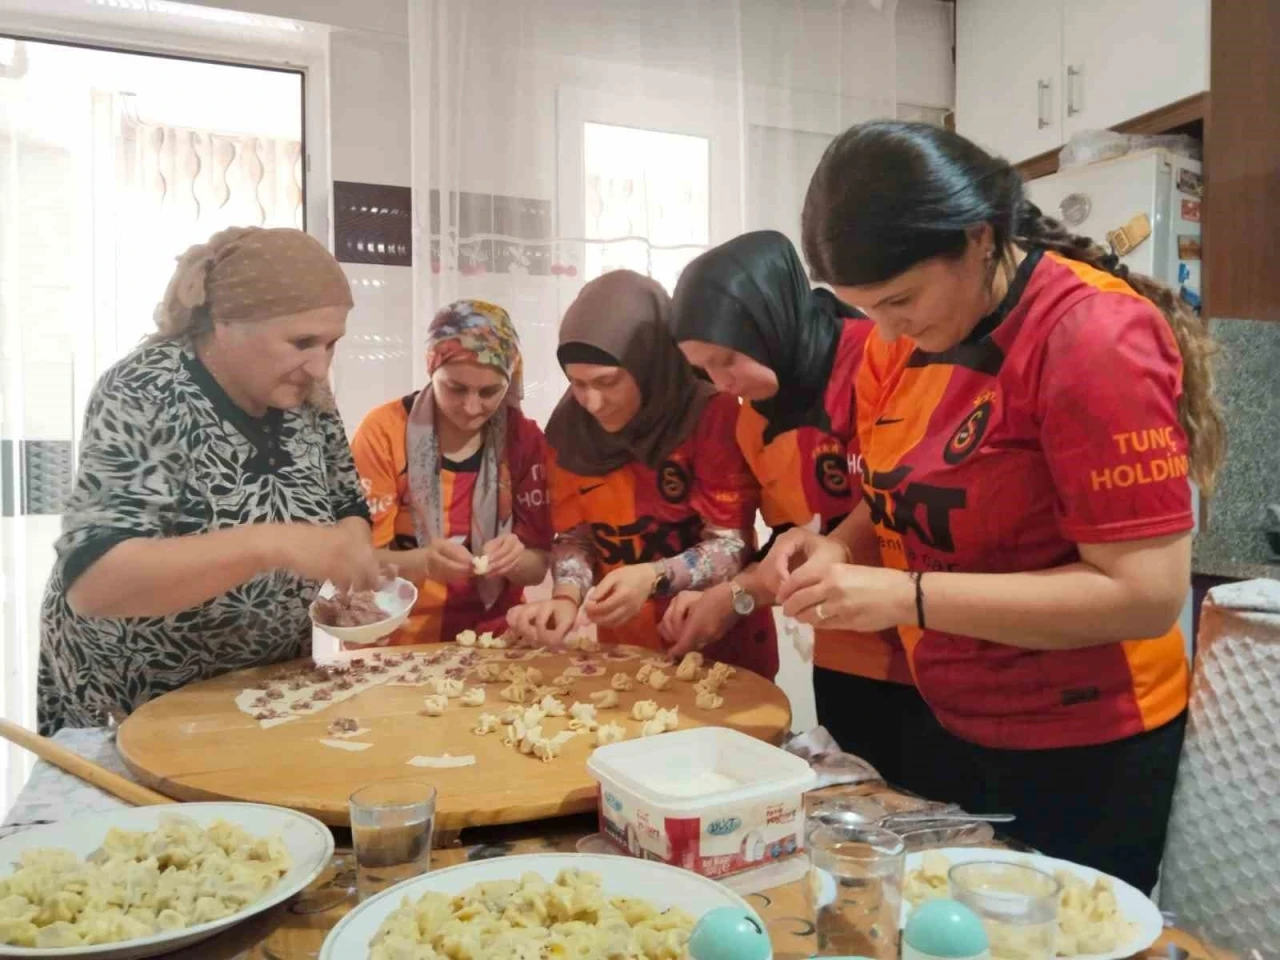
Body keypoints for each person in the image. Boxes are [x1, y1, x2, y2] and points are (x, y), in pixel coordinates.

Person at [764, 120, 1225, 893]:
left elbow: (1144, 596)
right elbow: (894, 498)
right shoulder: (897, 341)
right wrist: (839, 547)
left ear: (979, 239)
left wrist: (904, 596)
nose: (886, 329)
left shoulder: (1090, 337)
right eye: (866, 308)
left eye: (901, 299)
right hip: (952, 719)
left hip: (1084, 744)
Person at [39, 226, 380, 734]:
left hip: (259, 689)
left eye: (332, 344)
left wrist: (352, 552)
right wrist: (270, 543)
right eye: (302, 342)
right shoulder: (146, 392)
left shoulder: (308, 397)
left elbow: (343, 497)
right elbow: (93, 582)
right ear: (225, 323)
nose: (319, 365)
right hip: (136, 698)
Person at [665, 230, 937, 789]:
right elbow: (790, 537)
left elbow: (909, 496)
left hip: (936, 640)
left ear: (769, 320)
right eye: (703, 371)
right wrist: (732, 595)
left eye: (727, 360)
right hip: (847, 657)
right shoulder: (751, 421)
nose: (720, 384)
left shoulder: (881, 358)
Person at [506, 270, 777, 678]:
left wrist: (654, 577)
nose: (592, 402)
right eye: (577, 384)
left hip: (716, 644)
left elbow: (731, 546)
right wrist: (565, 597)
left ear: (648, 364)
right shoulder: (569, 433)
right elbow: (577, 537)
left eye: (607, 382)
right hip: (624, 655)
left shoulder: (710, 415)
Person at [350, 300, 551, 644]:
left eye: (490, 392)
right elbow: (359, 565)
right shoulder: (384, 432)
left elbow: (538, 567)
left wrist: (515, 559)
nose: (472, 407)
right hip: (398, 637)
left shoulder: (524, 440)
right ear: (431, 369)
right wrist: (423, 562)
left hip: (495, 638)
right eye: (455, 388)